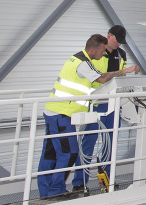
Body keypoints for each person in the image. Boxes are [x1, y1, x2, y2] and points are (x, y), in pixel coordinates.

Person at [37, 35, 133, 198]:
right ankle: (55, 192)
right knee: (69, 153)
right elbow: (102, 78)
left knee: (51, 154)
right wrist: (123, 72)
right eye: (102, 51)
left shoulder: (78, 60)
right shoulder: (83, 64)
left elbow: (96, 81)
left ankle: (46, 192)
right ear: (92, 50)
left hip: (54, 111)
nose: (104, 54)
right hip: (61, 114)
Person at [78, 25, 137, 187]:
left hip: (113, 103)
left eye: (121, 41)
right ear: (109, 35)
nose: (118, 44)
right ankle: (79, 182)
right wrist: (124, 71)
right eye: (117, 40)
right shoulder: (95, 55)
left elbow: (121, 78)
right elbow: (100, 78)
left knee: (110, 142)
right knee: (88, 143)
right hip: (95, 103)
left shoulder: (121, 54)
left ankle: (106, 179)